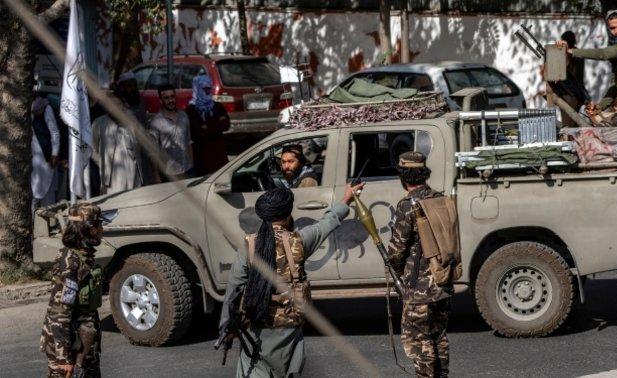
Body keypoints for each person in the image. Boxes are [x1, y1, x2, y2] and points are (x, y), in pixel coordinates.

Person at [219, 181, 364, 377]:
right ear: (288, 215)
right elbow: (327, 222)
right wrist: (347, 197)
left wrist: (226, 329)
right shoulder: (300, 241)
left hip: (255, 332)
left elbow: (233, 291)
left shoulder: (248, 247)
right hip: (289, 331)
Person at [388, 151, 452, 378]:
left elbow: (397, 251)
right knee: (438, 336)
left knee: (420, 342)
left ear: (403, 176)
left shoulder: (407, 205)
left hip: (419, 288)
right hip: (443, 281)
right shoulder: (439, 198)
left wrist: (395, 274)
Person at [40, 203, 105, 377]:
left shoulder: (84, 255)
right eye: (99, 225)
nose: (102, 229)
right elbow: (59, 312)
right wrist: (64, 359)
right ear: (89, 228)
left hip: (84, 345)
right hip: (68, 348)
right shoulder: (69, 262)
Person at [92, 96, 146, 195]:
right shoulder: (99, 123)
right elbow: (91, 149)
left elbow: (143, 139)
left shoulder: (131, 121)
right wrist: (102, 163)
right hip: (113, 173)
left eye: (118, 105)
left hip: (133, 171)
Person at [150, 84, 195, 182]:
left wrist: (192, 165)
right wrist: (156, 174)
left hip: (187, 170)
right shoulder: (156, 122)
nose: (170, 100)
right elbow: (154, 151)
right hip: (169, 173)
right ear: (161, 100)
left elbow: (189, 142)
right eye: (166, 98)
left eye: (172, 97)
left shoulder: (183, 116)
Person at [187, 75, 230, 176]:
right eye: (204, 89)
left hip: (219, 158)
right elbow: (199, 132)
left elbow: (226, 125)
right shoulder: (191, 110)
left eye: (208, 89)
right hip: (201, 160)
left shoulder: (218, 106)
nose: (207, 92)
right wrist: (216, 123)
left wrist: (207, 126)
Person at [550, 31, 590, 127]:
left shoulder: (575, 54)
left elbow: (566, 70)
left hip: (571, 95)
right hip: (570, 94)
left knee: (569, 126)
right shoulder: (575, 53)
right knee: (574, 125)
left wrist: (563, 53)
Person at [31, 92, 60, 210]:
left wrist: (54, 153)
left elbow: (54, 132)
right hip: (30, 158)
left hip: (45, 157)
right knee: (31, 195)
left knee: (47, 194)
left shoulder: (45, 107)